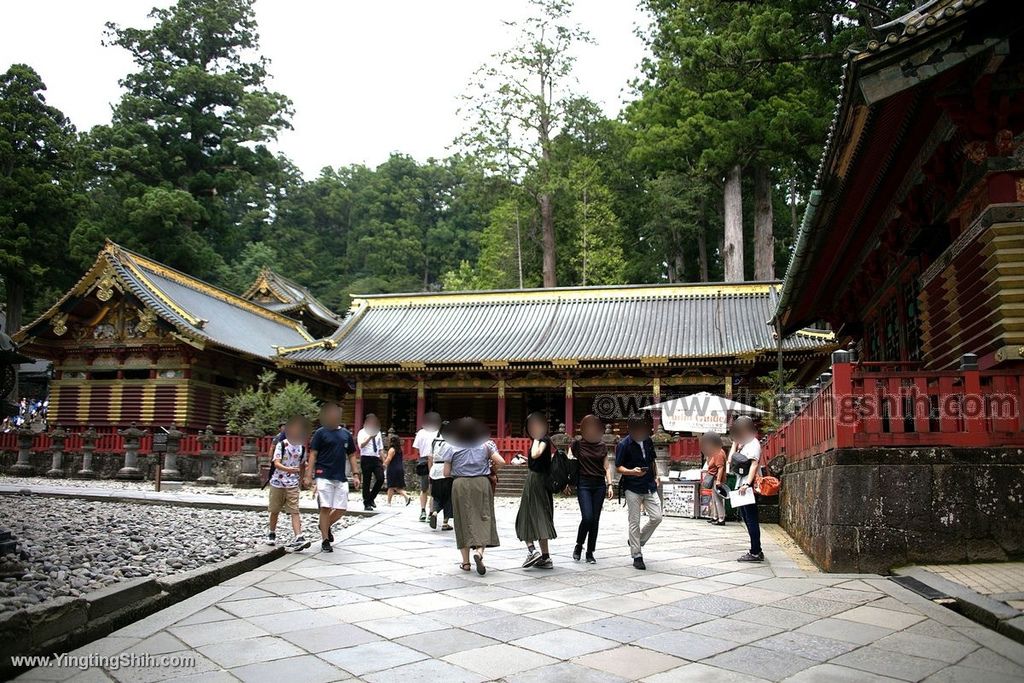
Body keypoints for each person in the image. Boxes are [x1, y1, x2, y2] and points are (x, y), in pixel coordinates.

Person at [439, 417, 504, 575]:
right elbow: (501, 461)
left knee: (463, 520)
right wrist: (491, 469)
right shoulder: (485, 444)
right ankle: (479, 553)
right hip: (481, 483)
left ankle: (466, 563)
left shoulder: (450, 445)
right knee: (483, 517)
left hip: (460, 484)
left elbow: (446, 473)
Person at [304, 403, 359, 553]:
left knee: (341, 508)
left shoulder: (346, 434)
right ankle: (325, 540)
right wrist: (309, 474)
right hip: (323, 474)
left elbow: (352, 455)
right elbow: (313, 454)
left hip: (340, 476)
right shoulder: (321, 433)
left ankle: (325, 525)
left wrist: (356, 474)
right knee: (325, 507)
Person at [615, 414, 662, 570]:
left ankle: (638, 540)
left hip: (649, 484)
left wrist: (657, 476)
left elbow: (652, 460)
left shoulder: (648, 441)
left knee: (657, 517)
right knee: (634, 521)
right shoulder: (624, 444)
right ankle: (637, 554)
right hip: (632, 486)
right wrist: (632, 472)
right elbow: (618, 467)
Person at [515, 412, 557, 569]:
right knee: (541, 515)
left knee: (525, 515)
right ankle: (545, 557)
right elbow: (536, 459)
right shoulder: (541, 440)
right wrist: (526, 460)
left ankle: (532, 551)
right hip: (540, 479)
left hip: (536, 481)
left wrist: (537, 439)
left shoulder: (542, 440)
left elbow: (536, 453)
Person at [570, 414, 614, 563]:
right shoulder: (577, 445)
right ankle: (579, 544)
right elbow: (570, 462)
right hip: (583, 484)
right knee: (587, 517)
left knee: (595, 520)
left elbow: (607, 467)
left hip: (599, 485)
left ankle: (590, 552)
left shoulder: (602, 446)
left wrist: (610, 485)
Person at [266, 415, 312, 552]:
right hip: (278, 481)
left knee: (294, 510)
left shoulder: (302, 448)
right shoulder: (282, 444)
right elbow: (276, 462)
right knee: (274, 509)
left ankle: (299, 536)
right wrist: (289, 469)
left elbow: (303, 464)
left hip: (293, 483)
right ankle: (271, 532)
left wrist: (302, 479)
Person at [729, 415, 765, 562]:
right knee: (747, 519)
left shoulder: (753, 444)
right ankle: (756, 550)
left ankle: (755, 552)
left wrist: (746, 484)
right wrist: (734, 443)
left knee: (751, 520)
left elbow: (754, 465)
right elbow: (731, 460)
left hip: (746, 487)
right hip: (741, 486)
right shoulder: (743, 444)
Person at [413, 412, 441, 522]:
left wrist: (421, 457)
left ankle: (423, 511)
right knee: (433, 489)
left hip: (423, 459)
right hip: (437, 460)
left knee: (424, 488)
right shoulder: (439, 432)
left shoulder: (420, 433)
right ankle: (430, 512)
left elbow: (416, 448)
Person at [357, 414, 385, 510]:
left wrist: (384, 461)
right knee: (367, 480)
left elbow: (380, 448)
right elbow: (361, 445)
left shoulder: (378, 433)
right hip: (366, 458)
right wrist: (370, 437)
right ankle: (366, 502)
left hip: (376, 458)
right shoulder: (362, 432)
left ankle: (371, 497)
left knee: (381, 478)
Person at [428, 425, 453, 531]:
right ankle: (445, 522)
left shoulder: (434, 441)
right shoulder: (451, 441)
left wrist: (430, 470)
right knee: (448, 497)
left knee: (436, 495)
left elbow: (430, 457)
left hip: (435, 469)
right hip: (446, 470)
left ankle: (434, 512)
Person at [701, 431, 728, 525]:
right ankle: (715, 516)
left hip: (717, 479)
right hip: (714, 478)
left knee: (718, 499)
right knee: (714, 499)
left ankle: (721, 518)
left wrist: (719, 481)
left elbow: (720, 468)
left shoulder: (719, 453)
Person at [383, 433, 411, 506]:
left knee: (392, 485)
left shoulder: (392, 449)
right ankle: (389, 502)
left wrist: (384, 464)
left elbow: (389, 459)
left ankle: (406, 495)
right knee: (393, 486)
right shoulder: (400, 450)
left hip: (393, 469)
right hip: (400, 468)